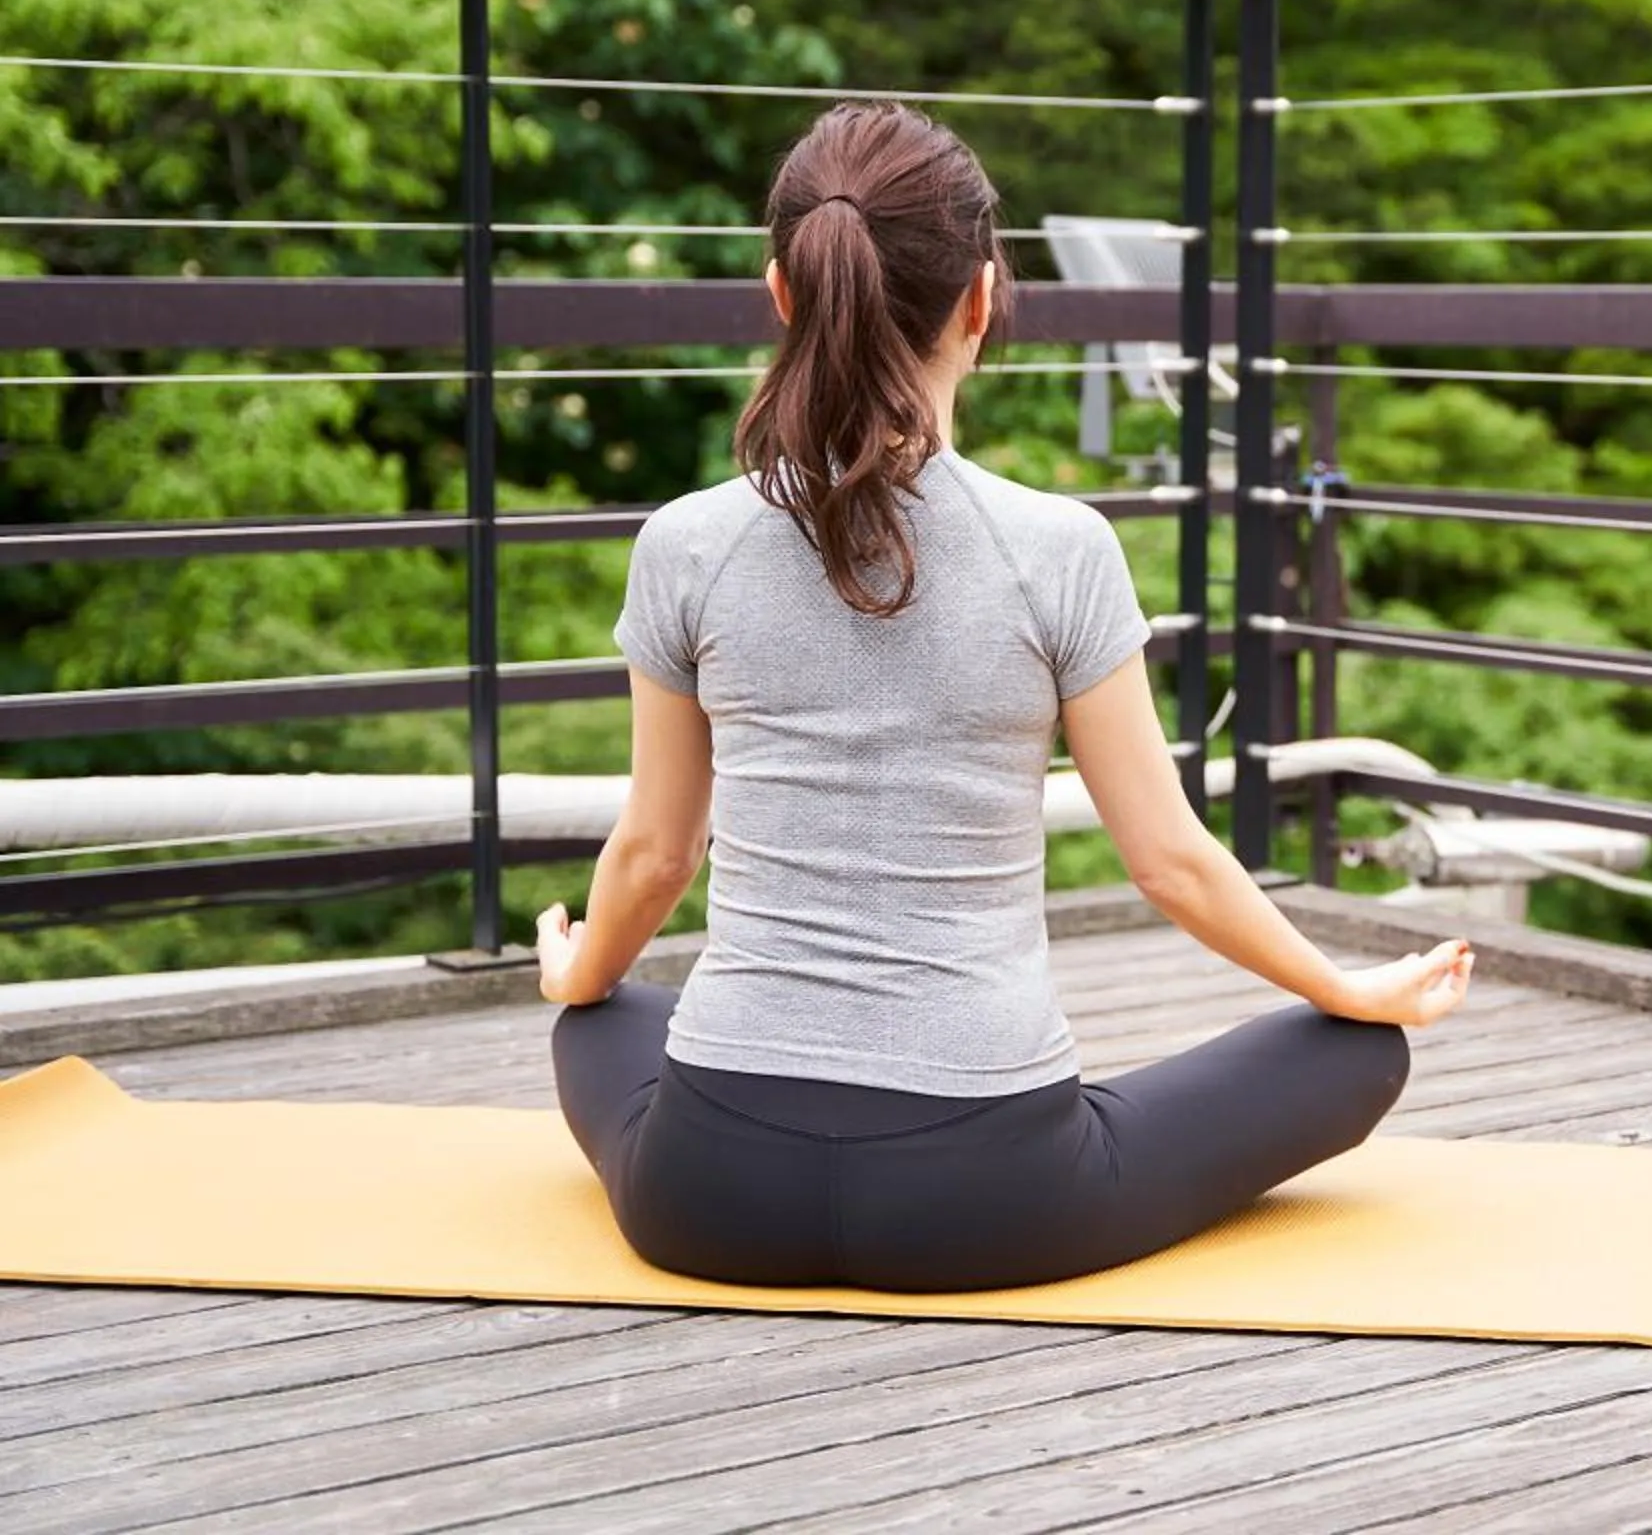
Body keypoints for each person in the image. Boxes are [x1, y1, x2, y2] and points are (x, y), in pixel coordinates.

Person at [542, 99, 1472, 1293]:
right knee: (1355, 1055)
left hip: (714, 1189)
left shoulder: (685, 543)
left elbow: (658, 854)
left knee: (600, 1015)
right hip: (989, 1197)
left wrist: (578, 974)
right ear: (982, 301)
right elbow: (1169, 861)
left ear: (783, 291)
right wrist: (1344, 986)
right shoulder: (1059, 548)